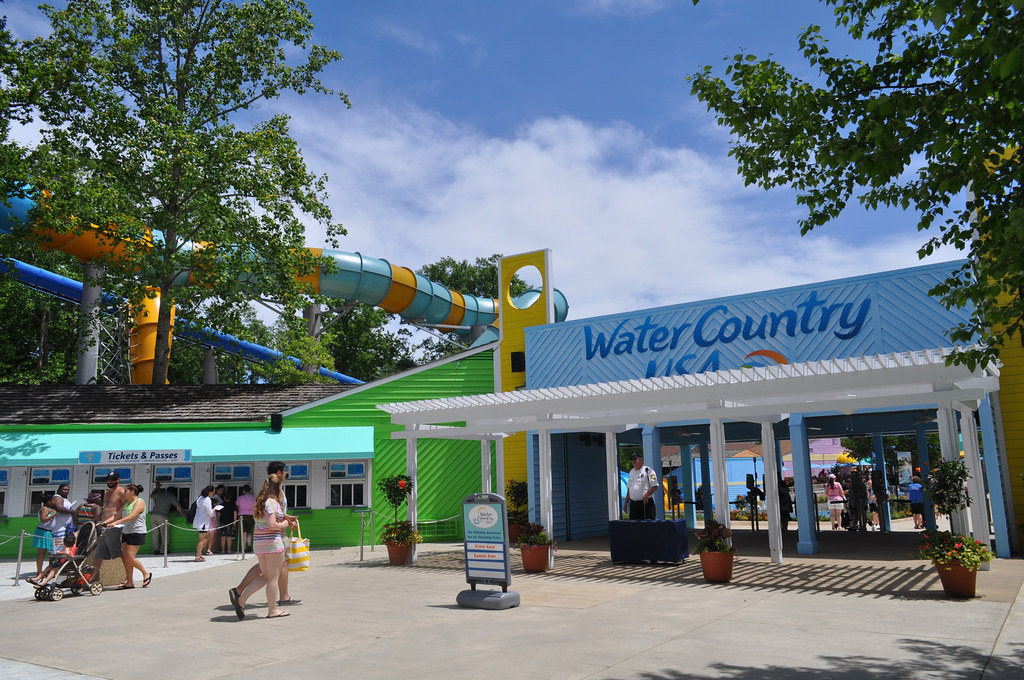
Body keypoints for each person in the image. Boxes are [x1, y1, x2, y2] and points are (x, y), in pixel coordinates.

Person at [230, 462, 301, 609]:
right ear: (280, 472)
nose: (286, 474)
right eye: (285, 471)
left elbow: (275, 513)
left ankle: (240, 592)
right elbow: (275, 516)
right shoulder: (276, 492)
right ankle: (281, 599)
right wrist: (288, 523)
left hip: (262, 538)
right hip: (275, 535)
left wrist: (287, 517)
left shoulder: (265, 492)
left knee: (267, 569)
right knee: (274, 570)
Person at [99, 483, 152, 589]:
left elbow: (132, 516)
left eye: (126, 491)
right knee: (125, 557)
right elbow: (116, 516)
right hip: (126, 532)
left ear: (132, 492)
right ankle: (129, 581)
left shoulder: (139, 502)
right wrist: (104, 523)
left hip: (137, 532)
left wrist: (116, 523)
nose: (124, 493)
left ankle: (146, 573)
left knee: (129, 556)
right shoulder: (126, 504)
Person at [93, 472, 128, 573]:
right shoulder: (107, 493)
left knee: (119, 554)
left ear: (118, 480)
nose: (110, 481)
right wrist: (100, 520)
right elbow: (107, 508)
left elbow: (125, 509)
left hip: (115, 527)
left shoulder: (121, 491)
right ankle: (91, 579)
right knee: (99, 554)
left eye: (113, 479)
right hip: (104, 526)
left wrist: (117, 521)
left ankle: (129, 577)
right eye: (108, 479)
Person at [31, 493, 61, 577]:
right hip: (43, 531)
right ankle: (39, 572)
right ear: (48, 501)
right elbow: (43, 519)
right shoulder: (45, 509)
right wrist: (53, 514)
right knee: (41, 553)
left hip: (47, 531)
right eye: (52, 500)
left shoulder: (48, 509)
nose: (54, 502)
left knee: (46, 552)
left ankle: (44, 571)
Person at [148, 483, 182, 554]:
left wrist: (157, 488)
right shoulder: (171, 496)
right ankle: (163, 550)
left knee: (155, 534)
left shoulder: (160, 494)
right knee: (165, 534)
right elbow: (178, 506)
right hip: (162, 516)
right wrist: (183, 514)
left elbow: (151, 496)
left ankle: (155, 550)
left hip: (153, 515)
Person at [623, 452, 657, 520]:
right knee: (634, 527)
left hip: (645, 504)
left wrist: (647, 494)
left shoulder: (648, 471)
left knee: (647, 526)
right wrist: (626, 502)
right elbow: (630, 488)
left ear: (641, 460)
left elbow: (655, 486)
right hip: (633, 504)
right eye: (632, 460)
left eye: (635, 459)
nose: (633, 462)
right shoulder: (631, 472)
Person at [192, 485, 216, 562]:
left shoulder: (199, 498)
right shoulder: (207, 499)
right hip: (203, 522)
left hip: (199, 520)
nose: (213, 493)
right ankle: (197, 556)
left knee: (208, 536)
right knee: (201, 540)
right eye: (213, 492)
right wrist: (214, 510)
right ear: (210, 492)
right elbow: (210, 512)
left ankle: (199, 553)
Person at [236, 484, 255, 552]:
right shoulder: (253, 498)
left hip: (242, 516)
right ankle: (249, 545)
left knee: (243, 532)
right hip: (251, 516)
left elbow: (237, 506)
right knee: (249, 532)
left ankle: (243, 548)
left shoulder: (240, 498)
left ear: (243, 490)